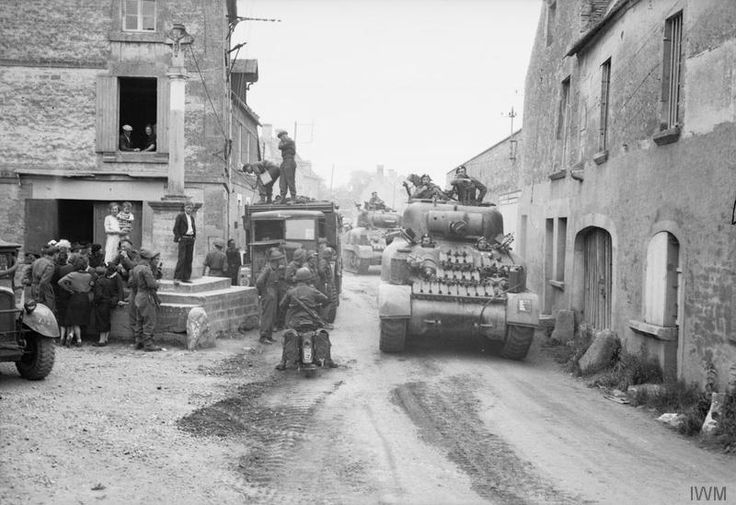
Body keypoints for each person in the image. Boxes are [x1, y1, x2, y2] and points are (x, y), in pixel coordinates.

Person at [275, 267, 337, 370]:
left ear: (297, 279)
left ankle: (283, 362)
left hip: (295, 323)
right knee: (323, 334)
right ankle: (328, 360)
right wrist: (317, 306)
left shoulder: (291, 292)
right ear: (309, 279)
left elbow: (282, 306)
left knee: (287, 337)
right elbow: (326, 300)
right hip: (312, 322)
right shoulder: (313, 291)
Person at [130, 248, 163, 351]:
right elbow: (152, 284)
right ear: (148, 258)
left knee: (139, 320)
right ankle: (148, 344)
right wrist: (157, 284)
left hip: (138, 295)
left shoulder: (135, 268)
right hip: (146, 296)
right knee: (149, 321)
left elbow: (132, 284)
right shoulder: (146, 269)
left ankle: (138, 342)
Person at [58, 255, 94, 347]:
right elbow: (92, 285)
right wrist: (88, 288)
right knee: (79, 320)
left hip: (75, 297)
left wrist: (69, 289)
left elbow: (60, 282)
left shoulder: (72, 275)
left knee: (73, 320)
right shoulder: (89, 275)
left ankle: (74, 337)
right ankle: (77, 338)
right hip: (85, 298)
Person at [255, 248, 284, 345]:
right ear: (275, 260)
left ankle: (269, 336)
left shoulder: (275, 269)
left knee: (272, 316)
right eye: (280, 259)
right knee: (267, 315)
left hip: (273, 293)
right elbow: (259, 282)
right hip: (268, 294)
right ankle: (263, 336)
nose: (281, 261)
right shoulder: (267, 269)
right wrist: (265, 291)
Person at [93, 263, 124, 347]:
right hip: (108, 302)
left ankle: (101, 340)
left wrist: (95, 300)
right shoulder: (109, 281)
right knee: (106, 320)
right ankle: (105, 339)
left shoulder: (99, 281)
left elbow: (98, 295)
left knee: (101, 321)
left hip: (101, 303)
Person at [27, 245, 57, 311]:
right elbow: (44, 282)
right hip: (43, 291)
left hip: (34, 287)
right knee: (47, 310)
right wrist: (40, 296)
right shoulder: (50, 264)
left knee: (35, 309)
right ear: (55, 254)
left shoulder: (36, 261)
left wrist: (32, 281)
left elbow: (27, 271)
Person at [173, 202, 196, 283]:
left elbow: (193, 228)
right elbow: (175, 228)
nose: (189, 209)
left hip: (190, 239)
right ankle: (177, 278)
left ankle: (186, 277)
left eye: (190, 208)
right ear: (184, 208)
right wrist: (179, 237)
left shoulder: (192, 218)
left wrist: (194, 237)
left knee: (189, 259)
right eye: (188, 207)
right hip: (183, 238)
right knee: (182, 258)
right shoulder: (180, 216)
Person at [277, 130, 297, 202]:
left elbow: (282, 146)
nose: (281, 138)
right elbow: (279, 146)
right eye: (280, 138)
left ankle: (293, 197)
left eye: (282, 136)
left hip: (290, 160)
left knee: (290, 180)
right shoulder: (284, 142)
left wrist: (283, 142)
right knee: (282, 180)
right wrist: (282, 143)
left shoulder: (290, 141)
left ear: (285, 135)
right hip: (284, 161)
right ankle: (282, 197)